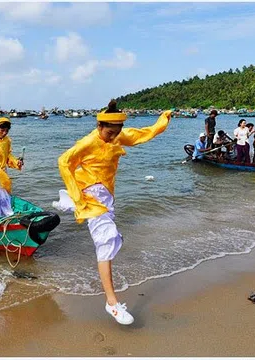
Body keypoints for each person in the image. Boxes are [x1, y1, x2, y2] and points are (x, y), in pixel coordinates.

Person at [54, 99, 172, 326]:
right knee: (107, 241)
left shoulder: (118, 135)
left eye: (116, 133)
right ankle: (112, 303)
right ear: (99, 127)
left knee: (108, 240)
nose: (113, 137)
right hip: (89, 193)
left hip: (106, 195)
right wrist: (78, 198)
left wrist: (162, 121)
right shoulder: (88, 142)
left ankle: (67, 202)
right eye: (109, 133)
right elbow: (64, 162)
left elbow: (141, 135)